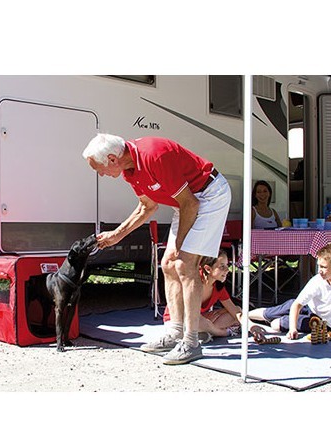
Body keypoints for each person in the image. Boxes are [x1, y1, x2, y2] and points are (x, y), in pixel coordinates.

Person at [82, 134, 231, 365]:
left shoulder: (154, 155)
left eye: (99, 169)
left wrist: (180, 247)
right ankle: (175, 332)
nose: (100, 174)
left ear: (112, 159)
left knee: (184, 264)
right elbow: (147, 206)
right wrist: (116, 235)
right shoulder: (129, 170)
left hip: (209, 195)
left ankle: (191, 342)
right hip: (188, 201)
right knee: (167, 264)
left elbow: (191, 204)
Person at [249, 243, 331, 345]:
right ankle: (243, 316)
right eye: (318, 266)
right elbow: (297, 304)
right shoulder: (317, 280)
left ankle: (258, 320)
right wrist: (293, 328)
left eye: (323, 267)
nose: (320, 271)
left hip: (321, 323)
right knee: (278, 309)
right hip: (308, 308)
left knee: (276, 324)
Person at [162, 249, 268, 342]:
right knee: (198, 321)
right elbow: (185, 314)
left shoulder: (217, 286)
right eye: (222, 267)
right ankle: (223, 332)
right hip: (177, 321)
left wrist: (251, 326)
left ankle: (207, 332)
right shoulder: (193, 281)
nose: (227, 270)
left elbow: (235, 312)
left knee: (236, 312)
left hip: (200, 321)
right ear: (208, 269)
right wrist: (211, 326)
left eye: (227, 265)